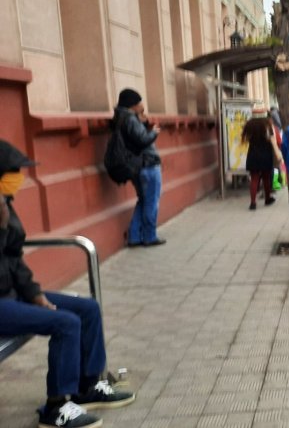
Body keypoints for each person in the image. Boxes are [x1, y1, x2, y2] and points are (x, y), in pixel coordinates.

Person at [0, 140, 135, 428]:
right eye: (10, 172)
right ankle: (56, 406)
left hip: (12, 295)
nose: (17, 177)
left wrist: (35, 294)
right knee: (65, 323)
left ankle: (85, 387)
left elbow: (13, 259)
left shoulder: (5, 204)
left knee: (87, 309)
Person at [112, 88, 165, 247]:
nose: (141, 105)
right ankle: (149, 236)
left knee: (143, 200)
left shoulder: (122, 118)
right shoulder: (130, 119)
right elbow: (142, 140)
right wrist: (154, 132)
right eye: (138, 102)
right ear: (132, 105)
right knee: (151, 202)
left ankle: (134, 237)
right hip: (147, 165)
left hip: (137, 166)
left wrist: (142, 120)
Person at [241, 117, 276, 210]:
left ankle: (253, 203)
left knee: (254, 179)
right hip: (265, 155)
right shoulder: (267, 127)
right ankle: (267, 198)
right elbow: (272, 139)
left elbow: (246, 139)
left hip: (253, 155)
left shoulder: (250, 126)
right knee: (266, 178)